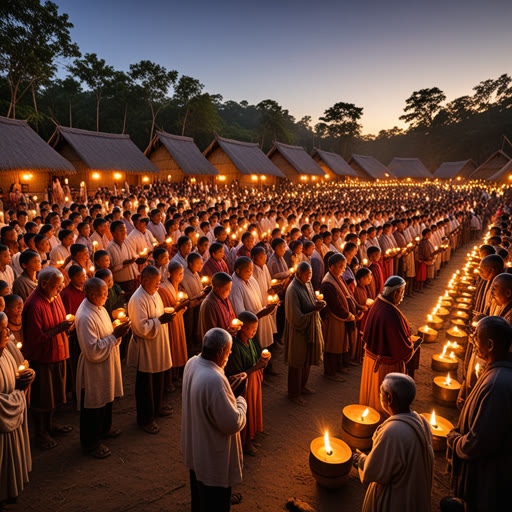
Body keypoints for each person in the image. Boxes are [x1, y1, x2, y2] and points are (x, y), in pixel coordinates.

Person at [444, 316, 512, 512]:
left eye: (476, 336)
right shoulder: (494, 372)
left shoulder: (497, 384)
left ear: (490, 345)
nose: (472, 339)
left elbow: (478, 442)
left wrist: (455, 440)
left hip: (487, 476)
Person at [182, 328, 247, 512]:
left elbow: (211, 402)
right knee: (214, 501)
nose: (230, 354)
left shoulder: (192, 362)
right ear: (219, 352)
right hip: (211, 456)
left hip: (197, 449)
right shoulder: (214, 380)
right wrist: (241, 399)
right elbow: (232, 423)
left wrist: (229, 392)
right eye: (228, 351)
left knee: (199, 496)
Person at [353, 373, 434, 512]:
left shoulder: (392, 432)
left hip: (397, 500)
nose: (379, 396)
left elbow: (372, 471)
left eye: (380, 392)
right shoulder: (422, 421)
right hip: (414, 496)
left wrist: (359, 459)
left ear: (389, 398)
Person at [75, 278, 130, 459]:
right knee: (94, 405)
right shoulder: (85, 316)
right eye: (104, 294)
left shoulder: (98, 307)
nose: (107, 298)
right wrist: (115, 336)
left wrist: (116, 329)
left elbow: (106, 333)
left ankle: (104, 429)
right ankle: (91, 443)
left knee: (106, 399)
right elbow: (92, 350)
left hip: (106, 362)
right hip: (94, 368)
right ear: (92, 295)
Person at [21, 267, 73, 449]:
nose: (60, 290)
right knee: (42, 398)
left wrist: (67, 327)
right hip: (42, 359)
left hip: (59, 353)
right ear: (43, 284)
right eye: (57, 286)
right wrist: (59, 328)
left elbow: (59, 321)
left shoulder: (55, 296)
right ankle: (40, 434)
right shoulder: (34, 305)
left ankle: (50, 425)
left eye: (61, 286)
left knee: (55, 396)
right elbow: (36, 339)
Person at [359, 276, 421, 417]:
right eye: (402, 292)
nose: (403, 295)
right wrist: (412, 344)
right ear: (395, 293)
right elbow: (401, 350)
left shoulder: (378, 302)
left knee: (371, 397)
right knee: (383, 403)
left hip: (372, 359)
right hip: (384, 366)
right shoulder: (390, 313)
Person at [127, 265, 174, 434]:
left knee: (158, 379)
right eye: (156, 282)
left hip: (158, 344)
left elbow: (158, 315)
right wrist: (160, 321)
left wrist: (164, 318)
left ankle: (157, 408)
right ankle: (145, 419)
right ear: (144, 280)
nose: (158, 285)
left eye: (159, 282)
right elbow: (140, 327)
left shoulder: (154, 293)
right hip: (146, 348)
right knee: (146, 384)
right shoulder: (138, 299)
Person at [0, 311, 34, 506]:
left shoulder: (5, 351)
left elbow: (15, 375)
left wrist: (24, 379)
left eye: (6, 328)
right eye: (3, 329)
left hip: (12, 419)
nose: (8, 333)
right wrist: (19, 393)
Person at [224, 311, 269, 456]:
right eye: (253, 329)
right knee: (246, 411)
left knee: (254, 407)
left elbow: (256, 358)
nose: (255, 333)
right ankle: (245, 442)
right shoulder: (235, 347)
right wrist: (257, 366)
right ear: (243, 328)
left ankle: (252, 434)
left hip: (254, 381)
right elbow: (238, 375)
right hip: (244, 387)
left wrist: (262, 362)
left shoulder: (250, 341)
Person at [284, 261, 325, 405]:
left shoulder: (307, 283)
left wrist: (317, 305)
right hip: (298, 331)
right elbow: (295, 317)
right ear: (298, 274)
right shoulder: (292, 290)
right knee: (297, 362)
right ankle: (294, 393)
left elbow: (312, 301)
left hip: (308, 328)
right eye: (306, 274)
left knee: (307, 359)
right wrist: (314, 312)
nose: (309, 277)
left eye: (310, 274)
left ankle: (303, 386)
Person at [320, 253, 357, 380]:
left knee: (341, 343)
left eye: (344, 266)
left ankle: (339, 366)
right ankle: (330, 372)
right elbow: (334, 304)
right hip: (334, 318)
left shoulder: (338, 277)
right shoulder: (327, 283)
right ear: (331, 267)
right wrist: (347, 315)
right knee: (332, 345)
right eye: (340, 266)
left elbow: (348, 295)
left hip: (342, 318)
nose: (343, 269)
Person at [199, 272, 237, 339]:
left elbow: (231, 316)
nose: (229, 291)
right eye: (227, 289)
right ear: (216, 288)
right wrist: (228, 332)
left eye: (230, 288)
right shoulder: (209, 304)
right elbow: (212, 333)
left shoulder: (225, 297)